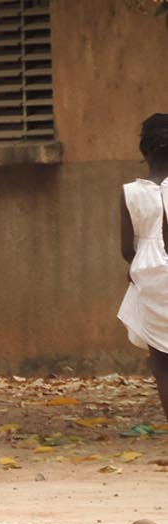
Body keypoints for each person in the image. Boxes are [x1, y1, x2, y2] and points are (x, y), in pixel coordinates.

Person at [117, 112, 168, 421]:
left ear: (144, 151)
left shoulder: (130, 193)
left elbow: (126, 249)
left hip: (150, 278)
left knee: (161, 362)